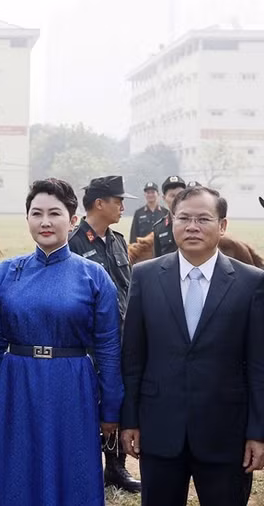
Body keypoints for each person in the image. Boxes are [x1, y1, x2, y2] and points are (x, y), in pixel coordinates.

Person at [0, 178, 123, 505]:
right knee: (18, 469)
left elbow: (108, 347)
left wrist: (111, 407)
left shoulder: (93, 276)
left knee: (73, 469)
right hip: (17, 384)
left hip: (72, 385)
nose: (45, 222)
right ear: (27, 218)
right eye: (37, 213)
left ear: (72, 220)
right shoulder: (7, 272)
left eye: (54, 213)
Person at [121, 186, 264, 505]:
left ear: (222, 225)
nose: (192, 227)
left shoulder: (251, 282)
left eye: (203, 219)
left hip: (226, 433)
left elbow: (258, 365)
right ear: (171, 221)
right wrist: (129, 420)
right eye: (184, 218)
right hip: (160, 430)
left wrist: (258, 431)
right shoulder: (145, 276)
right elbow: (133, 357)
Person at [68, 175, 141, 494]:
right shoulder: (73, 242)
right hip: (87, 341)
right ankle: (83, 468)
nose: (123, 207)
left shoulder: (117, 240)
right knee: (88, 403)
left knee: (117, 398)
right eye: (118, 201)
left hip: (121, 337)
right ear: (99, 203)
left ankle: (115, 468)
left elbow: (127, 289)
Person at [152, 175, 186, 257]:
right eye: (172, 196)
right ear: (164, 198)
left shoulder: (195, 223)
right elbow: (158, 258)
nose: (177, 199)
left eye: (180, 195)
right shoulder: (159, 227)